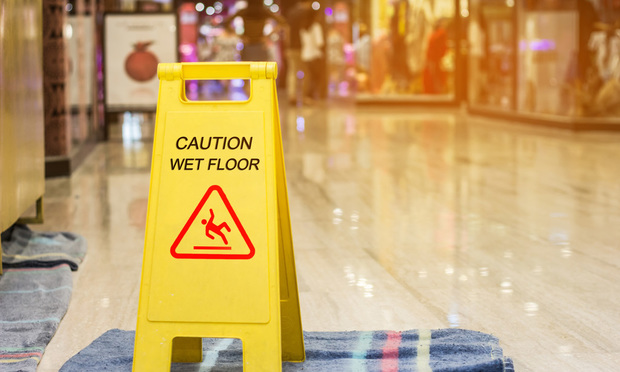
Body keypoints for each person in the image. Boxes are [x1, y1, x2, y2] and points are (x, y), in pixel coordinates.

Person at [286, 0, 312, 103]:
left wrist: (287, 46)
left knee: (292, 71)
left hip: (292, 46)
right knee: (306, 72)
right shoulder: (307, 13)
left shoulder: (291, 12)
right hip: (304, 47)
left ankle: (292, 95)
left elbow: (287, 29)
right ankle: (303, 96)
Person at [300, 10, 324, 102]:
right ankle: (310, 96)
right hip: (315, 55)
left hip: (305, 55)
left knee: (308, 77)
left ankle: (307, 96)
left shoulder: (303, 28)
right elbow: (319, 42)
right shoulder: (316, 27)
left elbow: (303, 42)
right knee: (315, 78)